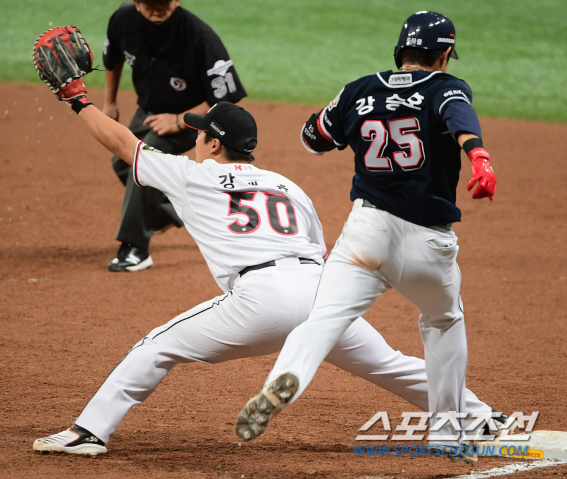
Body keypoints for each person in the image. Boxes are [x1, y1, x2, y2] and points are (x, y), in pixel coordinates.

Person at [30, 52, 505, 455]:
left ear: (215, 143)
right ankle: (482, 417)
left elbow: (121, 142)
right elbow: (320, 249)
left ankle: (87, 430)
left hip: (261, 298)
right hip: (322, 292)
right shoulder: (288, 186)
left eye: (200, 135)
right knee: (390, 364)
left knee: (157, 346)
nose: (195, 141)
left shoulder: (194, 176)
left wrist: (77, 99)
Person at [236, 11, 497, 463]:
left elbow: (314, 139)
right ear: (444, 54)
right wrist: (478, 155)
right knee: (443, 321)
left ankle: (284, 381)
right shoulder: (443, 87)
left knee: (322, 319)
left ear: (401, 51)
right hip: (428, 244)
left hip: (366, 233)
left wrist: (335, 118)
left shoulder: (359, 90)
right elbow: (459, 114)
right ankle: (448, 431)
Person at [103, 0, 247, 271]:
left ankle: (135, 248)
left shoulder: (199, 36)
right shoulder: (123, 20)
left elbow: (227, 96)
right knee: (121, 161)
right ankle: (167, 212)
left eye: (164, 4)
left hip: (193, 119)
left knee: (143, 159)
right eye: (150, 4)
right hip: (149, 111)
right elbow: (113, 58)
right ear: (136, 2)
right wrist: (109, 101)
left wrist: (180, 120)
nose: (157, 11)